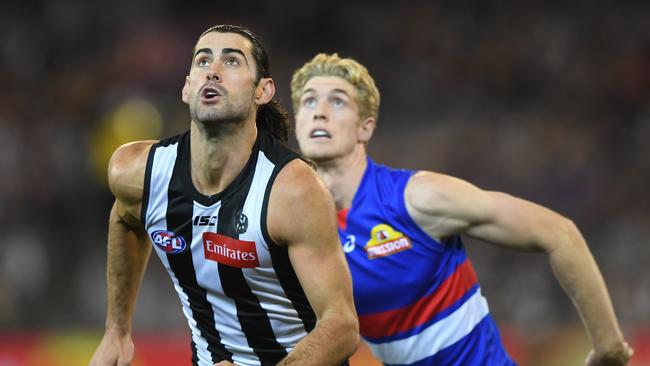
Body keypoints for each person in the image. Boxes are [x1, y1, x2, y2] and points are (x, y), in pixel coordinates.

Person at [290, 53, 633, 366]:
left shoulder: (417, 197)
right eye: (308, 102)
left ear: (365, 126)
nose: (319, 110)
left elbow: (560, 233)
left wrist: (609, 347)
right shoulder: (296, 229)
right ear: (298, 124)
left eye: (337, 101)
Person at [89, 26, 359, 366]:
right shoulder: (136, 172)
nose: (213, 70)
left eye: (232, 61)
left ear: (263, 91)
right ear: (187, 88)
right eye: (203, 60)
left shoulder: (292, 190)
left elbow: (342, 325)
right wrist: (117, 330)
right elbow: (125, 217)